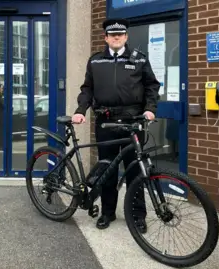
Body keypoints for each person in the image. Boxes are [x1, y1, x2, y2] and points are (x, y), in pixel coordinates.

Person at [72, 18, 160, 232]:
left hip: (133, 123)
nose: (117, 37)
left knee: (136, 172)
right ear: (106, 38)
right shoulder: (95, 61)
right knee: (107, 170)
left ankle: (137, 215)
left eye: (120, 34)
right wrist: (80, 111)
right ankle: (107, 212)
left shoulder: (139, 60)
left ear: (126, 37)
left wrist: (150, 108)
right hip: (106, 123)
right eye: (112, 35)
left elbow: (152, 86)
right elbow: (87, 90)